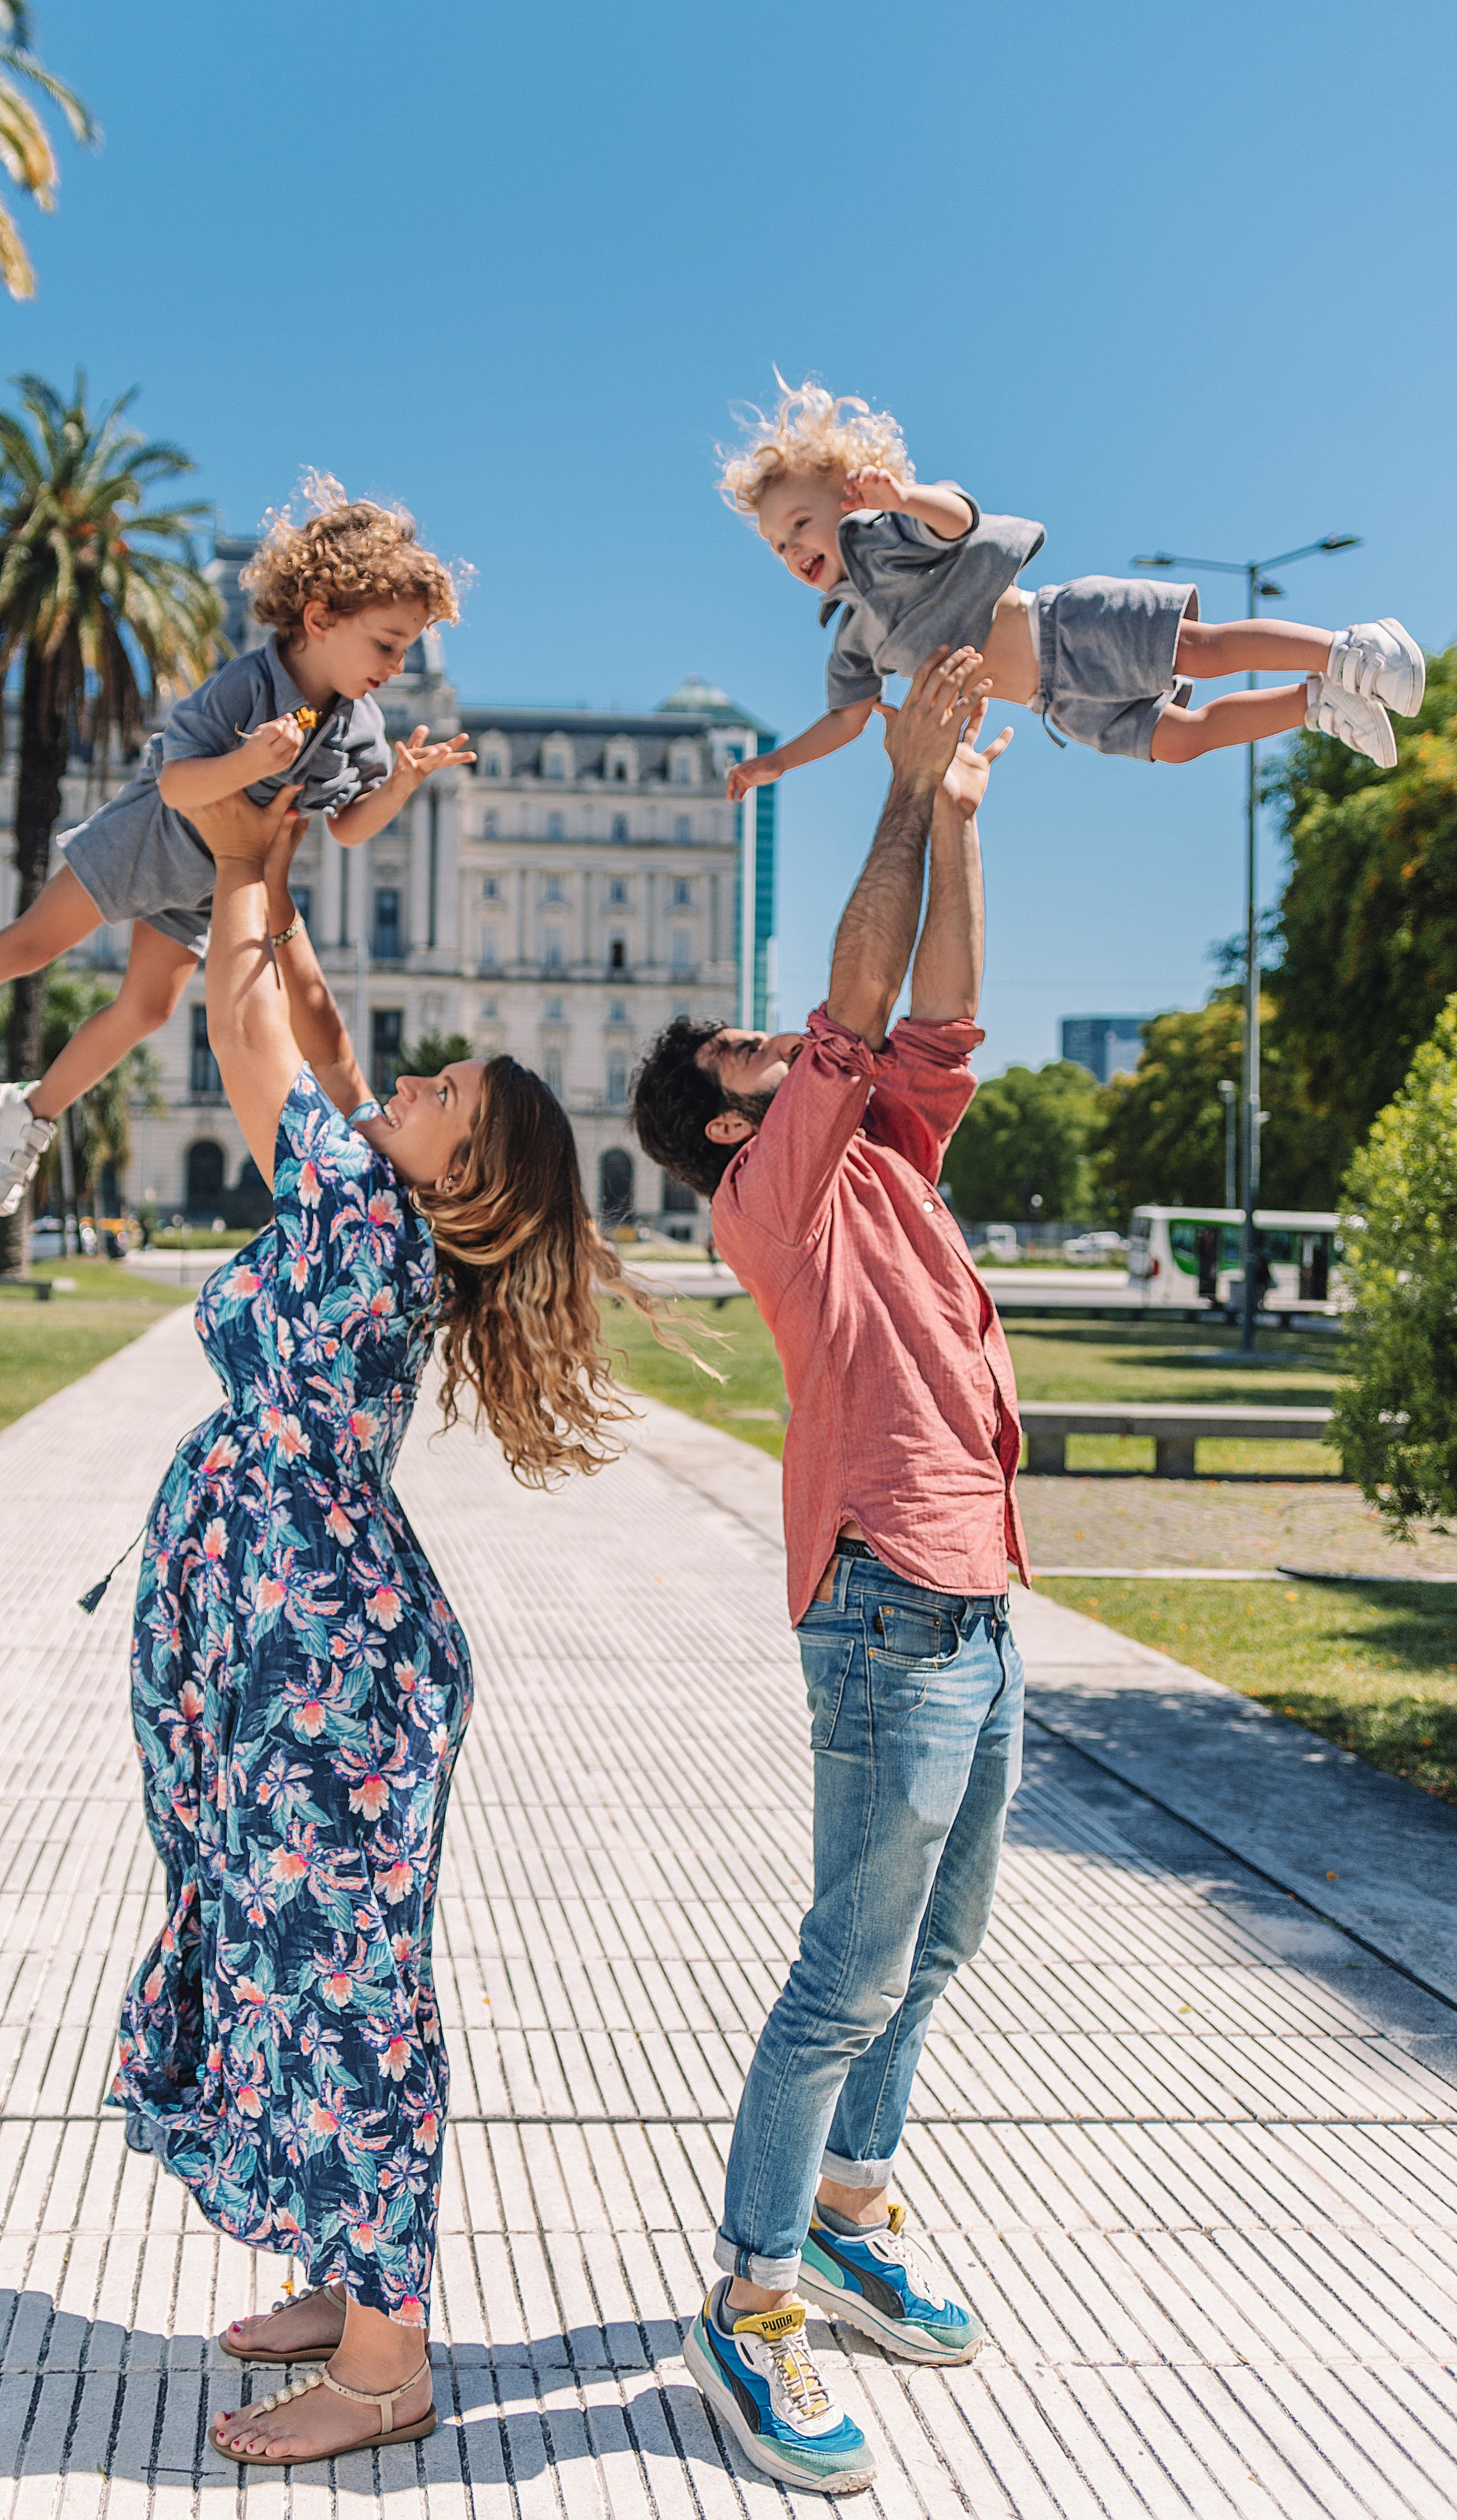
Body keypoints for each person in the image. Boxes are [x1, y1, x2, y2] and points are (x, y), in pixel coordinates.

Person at [111, 779, 662, 2471]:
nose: (411, 1083)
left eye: (443, 1097)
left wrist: (250, 840)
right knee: (294, 1955)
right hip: (294, 1642)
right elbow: (326, 1024)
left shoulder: (358, 1208)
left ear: (465, 1172)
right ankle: (342, 2268)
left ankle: (385, 2354)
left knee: (348, 1984)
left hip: (325, 1664)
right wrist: (282, 835)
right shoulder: (375, 1193)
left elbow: (241, 1004)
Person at [629, 649, 1025, 2498]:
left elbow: (933, 1008)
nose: (792, 1047)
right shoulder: (768, 1187)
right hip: (881, 1594)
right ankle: (751, 2291)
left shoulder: (878, 1150)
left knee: (933, 1949)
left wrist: (948, 811)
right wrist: (892, 771)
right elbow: (864, 999)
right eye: (754, 1058)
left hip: (979, 1589)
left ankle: (852, 2213)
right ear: (727, 1120)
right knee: (840, 1975)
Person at [0, 480, 474, 1215]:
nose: (395, 667)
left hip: (208, 881)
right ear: (320, 618)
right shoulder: (247, 685)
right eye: (388, 645)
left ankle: (33, 1109)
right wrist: (251, 764)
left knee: (146, 1009)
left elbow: (344, 828)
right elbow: (176, 783)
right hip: (152, 836)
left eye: (408, 651)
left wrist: (396, 787)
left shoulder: (359, 725)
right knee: (31, 944)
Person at [719, 382, 1422, 805]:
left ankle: (1349, 649)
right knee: (1179, 744)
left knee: (1199, 653)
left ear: (849, 501)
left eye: (800, 525)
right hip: (1055, 701)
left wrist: (902, 497)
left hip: (1064, 629)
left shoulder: (891, 534)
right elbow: (845, 719)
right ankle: (1312, 704)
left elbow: (959, 520)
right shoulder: (853, 637)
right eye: (778, 546)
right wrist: (775, 761)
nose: (792, 550)